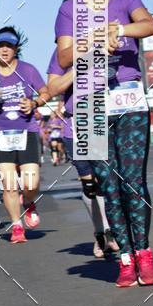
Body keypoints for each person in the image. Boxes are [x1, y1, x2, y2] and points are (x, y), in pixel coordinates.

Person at [55, 0, 153, 287]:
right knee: (108, 185)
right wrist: (95, 39)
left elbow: (150, 25)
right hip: (90, 104)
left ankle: (144, 253)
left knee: (133, 181)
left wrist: (119, 29)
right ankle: (125, 259)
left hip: (128, 99)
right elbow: (64, 55)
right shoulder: (69, 8)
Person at [0, 28, 49, 243]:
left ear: (16, 49)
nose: (4, 49)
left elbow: (45, 92)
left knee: (31, 182)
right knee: (8, 183)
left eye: (9, 46)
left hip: (27, 130)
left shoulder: (28, 70)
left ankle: (28, 201)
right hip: (1, 133)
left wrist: (34, 102)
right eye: (0, 46)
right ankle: (17, 226)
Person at [46, 49, 118, 259]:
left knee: (106, 181)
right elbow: (53, 88)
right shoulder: (63, 53)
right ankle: (100, 233)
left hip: (101, 119)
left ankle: (111, 231)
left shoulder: (106, 42)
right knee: (89, 184)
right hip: (75, 122)